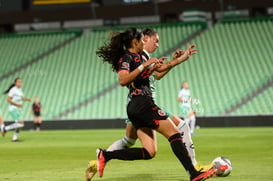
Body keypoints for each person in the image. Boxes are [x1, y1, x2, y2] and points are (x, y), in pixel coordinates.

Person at [85, 29, 213, 181]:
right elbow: (123, 80)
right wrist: (145, 66)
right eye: (144, 40)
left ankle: (105, 155)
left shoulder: (139, 58)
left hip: (140, 105)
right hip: (141, 104)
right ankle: (193, 173)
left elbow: (152, 75)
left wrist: (175, 60)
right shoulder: (127, 58)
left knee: (149, 152)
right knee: (175, 133)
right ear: (137, 41)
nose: (150, 44)